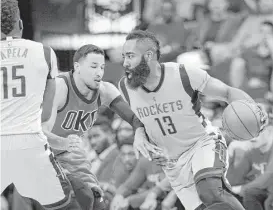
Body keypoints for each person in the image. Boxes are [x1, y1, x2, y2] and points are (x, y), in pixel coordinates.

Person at [118, 30, 268, 210]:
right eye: (124, 56)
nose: (125, 62)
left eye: (130, 56)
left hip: (201, 143)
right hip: (172, 161)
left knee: (210, 192)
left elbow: (227, 93)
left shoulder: (182, 75)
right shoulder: (126, 87)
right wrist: (139, 133)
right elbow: (137, 119)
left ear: (148, 56)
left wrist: (253, 110)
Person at [42, 44, 161, 208]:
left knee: (95, 199)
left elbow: (134, 118)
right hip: (43, 151)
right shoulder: (59, 88)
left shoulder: (105, 90)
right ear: (77, 67)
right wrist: (65, 143)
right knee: (72, 197)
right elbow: (40, 132)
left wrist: (140, 132)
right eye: (93, 66)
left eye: (102, 67)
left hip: (71, 152)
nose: (99, 72)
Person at [0, 0, 74, 209]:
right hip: (30, 142)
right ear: (21, 24)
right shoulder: (44, 52)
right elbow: (45, 114)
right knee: (63, 202)